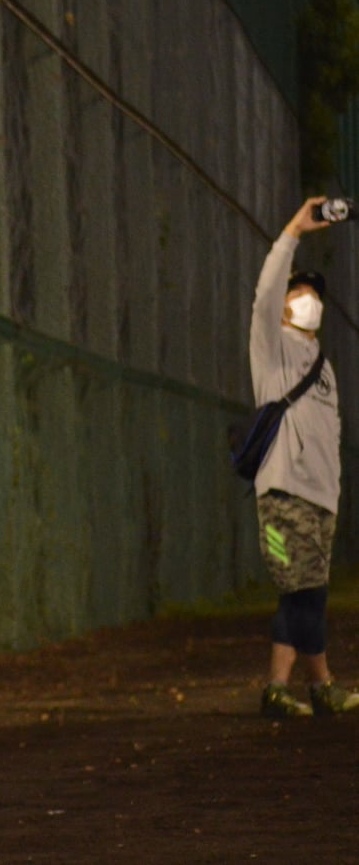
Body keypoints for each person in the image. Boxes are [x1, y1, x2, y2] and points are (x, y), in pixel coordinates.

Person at [249, 196, 358, 718]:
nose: (308, 298)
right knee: (304, 592)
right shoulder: (271, 348)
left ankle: (282, 687)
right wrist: (294, 229)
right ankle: (318, 684)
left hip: (319, 501)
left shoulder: (323, 366)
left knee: (304, 592)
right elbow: (266, 292)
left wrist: (331, 494)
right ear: (284, 305)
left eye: (314, 294)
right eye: (299, 292)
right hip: (283, 497)